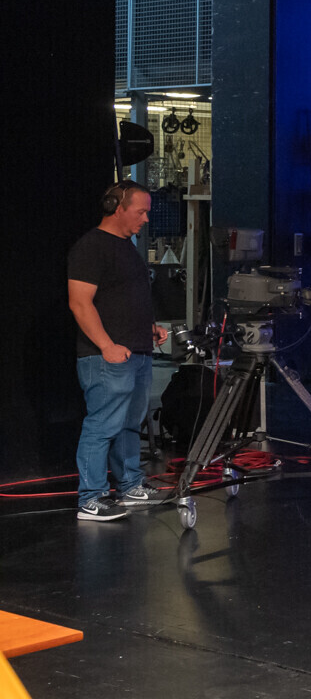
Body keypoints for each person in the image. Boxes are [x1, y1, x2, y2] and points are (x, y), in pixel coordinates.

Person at [67, 181, 169, 522]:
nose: (145, 219)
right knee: (102, 425)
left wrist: (149, 327)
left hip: (136, 351)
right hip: (106, 356)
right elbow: (80, 303)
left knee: (129, 424)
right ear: (116, 207)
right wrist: (107, 345)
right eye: (140, 212)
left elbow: (124, 297)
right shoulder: (91, 246)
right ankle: (91, 498)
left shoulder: (127, 247)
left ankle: (130, 485)